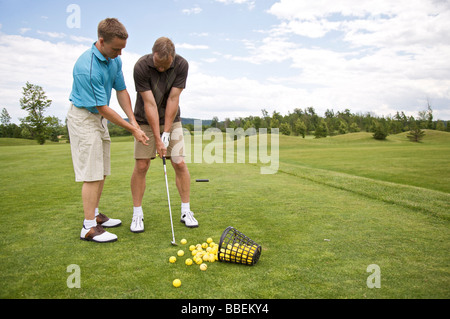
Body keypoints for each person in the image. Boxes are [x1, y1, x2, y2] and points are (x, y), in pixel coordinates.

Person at [67, 18, 149, 243]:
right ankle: (88, 227)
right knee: (91, 173)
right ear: (101, 41)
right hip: (84, 118)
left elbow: (121, 91)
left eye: (123, 49)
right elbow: (103, 108)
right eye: (116, 49)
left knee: (101, 170)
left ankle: (94, 214)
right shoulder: (87, 68)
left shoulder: (114, 61)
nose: (120, 54)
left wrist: (133, 121)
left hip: (99, 119)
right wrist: (132, 129)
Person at [130, 37, 198, 233]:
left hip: (172, 118)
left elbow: (173, 98)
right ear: (154, 55)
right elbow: (149, 104)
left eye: (164, 66)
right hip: (144, 119)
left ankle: (186, 211)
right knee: (142, 164)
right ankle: (137, 213)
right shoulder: (141, 66)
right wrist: (158, 140)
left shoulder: (181, 65)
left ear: (172, 58)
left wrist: (166, 132)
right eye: (157, 65)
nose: (160, 69)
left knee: (178, 162)